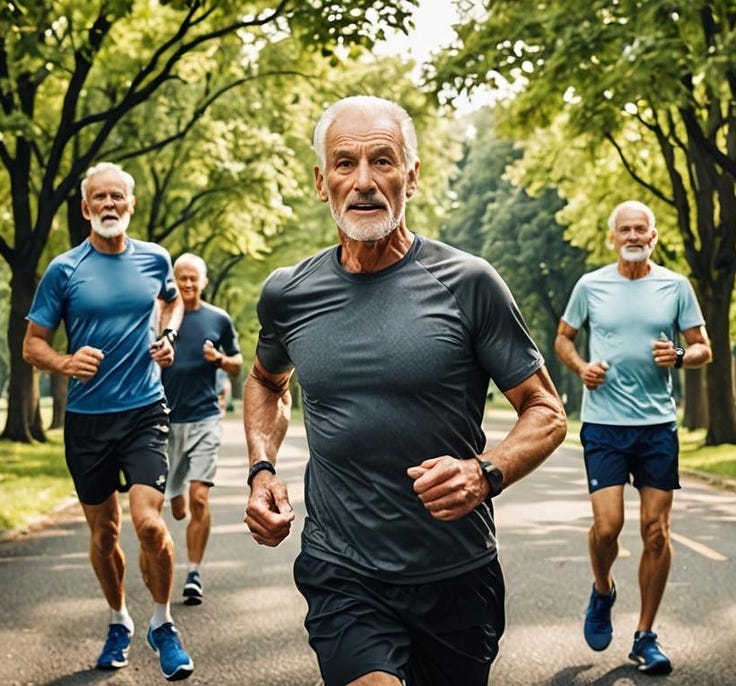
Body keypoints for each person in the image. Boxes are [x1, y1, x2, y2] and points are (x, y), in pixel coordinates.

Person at [242, 95, 567, 686]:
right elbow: (267, 381)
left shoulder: (469, 283)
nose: (363, 181)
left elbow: (545, 410)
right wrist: (261, 469)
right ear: (322, 182)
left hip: (455, 574)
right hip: (342, 570)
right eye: (344, 164)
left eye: (382, 161)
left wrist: (484, 473)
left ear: (411, 176)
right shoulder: (289, 292)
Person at [23, 162, 194, 681]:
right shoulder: (64, 270)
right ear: (85, 208)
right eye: (99, 197)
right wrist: (65, 362)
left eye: (117, 196)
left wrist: (167, 337)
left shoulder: (155, 258)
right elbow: (32, 344)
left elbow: (173, 301)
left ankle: (162, 624)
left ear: (131, 204)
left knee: (149, 523)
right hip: (87, 419)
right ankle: (119, 618)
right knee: (104, 534)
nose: (109, 204)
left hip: (144, 410)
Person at [554, 200, 712, 676]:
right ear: (613, 237)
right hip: (603, 424)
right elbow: (563, 338)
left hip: (657, 425)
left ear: (654, 236)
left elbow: (704, 347)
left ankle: (645, 636)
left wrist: (680, 355)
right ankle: (603, 589)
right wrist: (582, 368)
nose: (633, 235)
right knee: (608, 528)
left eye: (641, 228)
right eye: (625, 229)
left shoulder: (675, 286)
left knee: (655, 533)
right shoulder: (590, 286)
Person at [161, 252, 242, 607]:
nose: (188, 284)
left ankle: (193, 572)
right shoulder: (163, 317)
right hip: (165, 421)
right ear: (173, 280)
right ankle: (175, 499)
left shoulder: (218, 319)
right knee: (177, 507)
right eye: (181, 278)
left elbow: (238, 365)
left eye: (194, 278)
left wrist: (220, 360)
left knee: (199, 497)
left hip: (206, 418)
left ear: (204, 282)